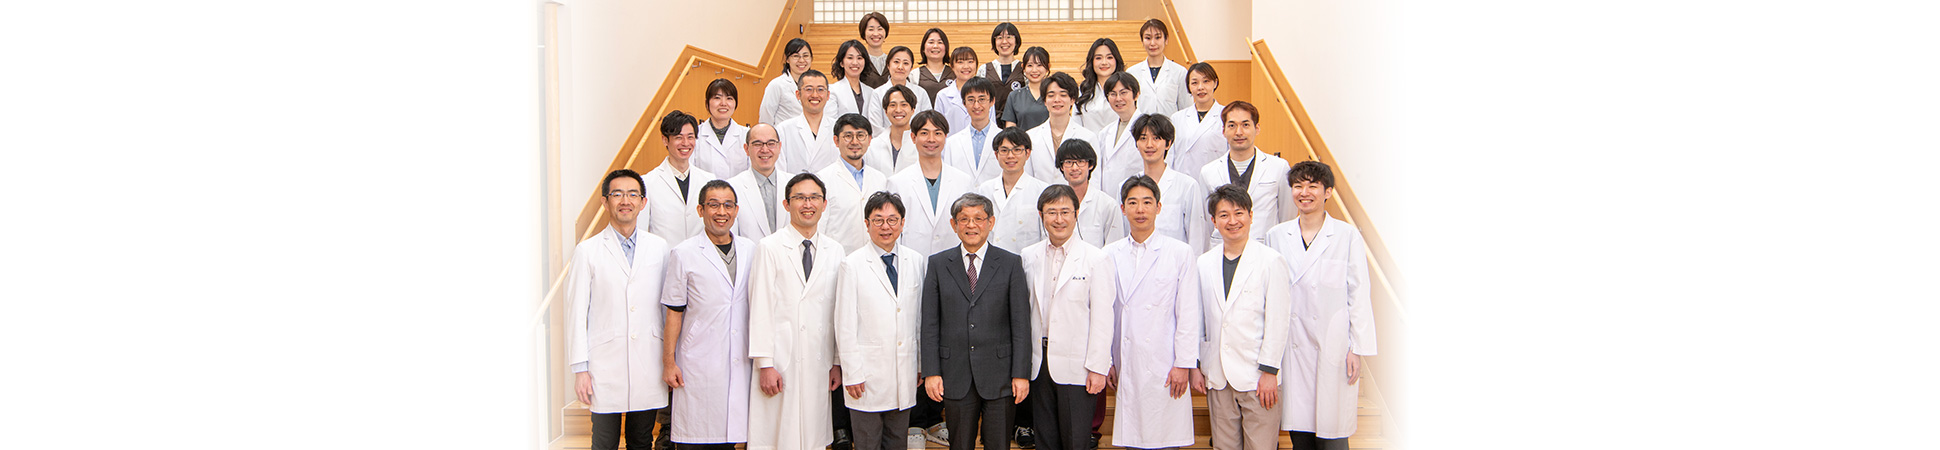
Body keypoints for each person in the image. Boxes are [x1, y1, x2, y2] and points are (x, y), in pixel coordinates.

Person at [1263, 161, 1374, 450]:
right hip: (1293, 345)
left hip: (1333, 345)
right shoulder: (1277, 235)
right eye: (1298, 186)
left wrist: (1357, 348)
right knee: (1300, 432)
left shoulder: (1346, 235)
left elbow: (1359, 293)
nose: (1304, 192)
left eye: (1313, 186)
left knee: (1334, 434)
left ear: (1328, 192)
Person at [567, 169, 673, 450]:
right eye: (617, 194)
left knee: (642, 440)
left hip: (648, 359)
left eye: (632, 194)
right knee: (604, 442)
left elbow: (667, 308)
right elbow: (576, 314)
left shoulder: (659, 248)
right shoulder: (587, 251)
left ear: (643, 202)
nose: (625, 201)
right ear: (605, 202)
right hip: (604, 363)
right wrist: (580, 369)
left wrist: (670, 358)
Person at [920, 193, 1033, 450]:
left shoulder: (1010, 263)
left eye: (978, 219)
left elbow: (1020, 324)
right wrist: (931, 372)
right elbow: (929, 324)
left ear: (990, 222)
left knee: (999, 444)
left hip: (1001, 375)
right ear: (954, 224)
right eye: (964, 219)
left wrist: (1020, 374)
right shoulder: (938, 264)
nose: (971, 225)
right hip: (955, 373)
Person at [1100, 174, 1201, 450]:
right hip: (1128, 358)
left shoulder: (1179, 252)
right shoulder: (1109, 254)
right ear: (1123, 209)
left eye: (1147, 202)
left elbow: (1188, 314)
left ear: (1159, 207)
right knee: (1134, 439)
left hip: (1166, 362)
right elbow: (1104, 313)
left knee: (1165, 438)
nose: (1140, 210)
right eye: (1133, 203)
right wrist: (1108, 359)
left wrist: (1184, 364)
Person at [748, 173, 847, 450]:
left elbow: (838, 312)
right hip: (781, 358)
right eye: (800, 198)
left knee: (812, 435)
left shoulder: (835, 250)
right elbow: (760, 307)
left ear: (824, 204)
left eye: (814, 198)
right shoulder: (769, 247)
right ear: (786, 204)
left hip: (819, 358)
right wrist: (765, 364)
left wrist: (836, 361)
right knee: (779, 435)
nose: (807, 204)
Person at [1192, 184, 1294, 450]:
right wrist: (1197, 365)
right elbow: (1198, 320)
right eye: (1223, 215)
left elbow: (1278, 320)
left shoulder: (1271, 261)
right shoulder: (1203, 263)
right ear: (1213, 221)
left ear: (1250, 215)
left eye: (1239, 213)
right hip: (1218, 375)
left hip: (1258, 376)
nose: (1232, 221)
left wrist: (1270, 371)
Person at [662, 180, 759, 450]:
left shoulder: (751, 250)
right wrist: (669, 362)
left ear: (736, 210)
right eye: (713, 205)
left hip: (739, 355)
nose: (721, 212)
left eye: (728, 205)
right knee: (695, 437)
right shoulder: (684, 253)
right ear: (700, 210)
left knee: (728, 438)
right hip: (698, 361)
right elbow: (674, 312)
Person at [1018, 184, 1116, 450]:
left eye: (1065, 212)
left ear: (1076, 214)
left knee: (1075, 440)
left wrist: (1098, 367)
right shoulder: (1028, 256)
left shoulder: (1096, 259)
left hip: (1078, 363)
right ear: (1041, 215)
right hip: (1039, 362)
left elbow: (1103, 319)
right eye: (1052, 212)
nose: (1058, 219)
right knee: (1045, 440)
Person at [834, 192, 927, 450]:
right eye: (878, 220)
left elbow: (919, 318)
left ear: (902, 223)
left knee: (897, 442)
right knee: (868, 443)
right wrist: (852, 372)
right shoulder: (851, 264)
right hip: (866, 376)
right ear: (867, 224)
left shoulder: (915, 260)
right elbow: (844, 325)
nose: (886, 227)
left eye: (892, 220)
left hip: (904, 371)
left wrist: (920, 363)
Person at [1197, 101, 1289, 247]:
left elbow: (1286, 217)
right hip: (1222, 248)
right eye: (1232, 126)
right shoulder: (1208, 172)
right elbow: (1207, 223)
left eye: (1245, 125)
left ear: (1257, 128)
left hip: (1264, 248)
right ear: (1223, 131)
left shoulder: (1279, 167)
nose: (1239, 132)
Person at [886, 111, 976, 257]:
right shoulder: (897, 183)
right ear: (913, 137)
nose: (931, 139)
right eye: (924, 133)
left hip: (954, 260)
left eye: (937, 133)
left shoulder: (964, 181)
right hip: (913, 260)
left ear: (945, 137)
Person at [1130, 113, 1210, 254]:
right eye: (1143, 138)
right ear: (1136, 144)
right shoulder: (1126, 186)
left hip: (1175, 262)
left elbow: (1196, 238)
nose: (1149, 144)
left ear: (1168, 143)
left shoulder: (1187, 186)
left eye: (1156, 138)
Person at [815, 113, 890, 255]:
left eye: (860, 136)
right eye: (848, 136)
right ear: (836, 141)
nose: (854, 142)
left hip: (875, 257)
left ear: (869, 140)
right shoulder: (822, 180)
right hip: (838, 258)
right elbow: (819, 227)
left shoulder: (880, 178)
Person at [645, 110, 718, 244]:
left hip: (701, 254)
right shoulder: (648, 183)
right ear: (665, 140)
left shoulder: (708, 180)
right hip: (666, 255)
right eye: (679, 137)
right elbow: (642, 232)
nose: (685, 143)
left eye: (690, 137)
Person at [973, 127, 1049, 253]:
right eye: (1004, 150)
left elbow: (1046, 235)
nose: (1010, 156)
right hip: (991, 258)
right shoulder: (985, 189)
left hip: (1026, 259)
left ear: (1027, 153)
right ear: (996, 154)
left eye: (1017, 150)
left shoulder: (1041, 190)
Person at [1024, 72, 1097, 184]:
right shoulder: (1031, 137)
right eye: (1051, 95)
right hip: (1041, 194)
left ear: (1072, 100)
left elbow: (1094, 180)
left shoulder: (1088, 137)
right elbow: (1027, 178)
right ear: (1044, 101)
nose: (1057, 100)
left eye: (1063, 95)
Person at [728, 124, 794, 241]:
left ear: (779, 147)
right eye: (757, 144)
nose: (764, 150)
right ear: (746, 149)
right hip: (752, 253)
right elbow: (732, 237)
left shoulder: (795, 184)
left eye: (771, 144)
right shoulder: (732, 188)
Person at [1052, 140, 1122, 248]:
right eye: (1069, 162)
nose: (1074, 168)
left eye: (1080, 161)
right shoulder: (1053, 204)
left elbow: (1114, 247)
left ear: (1090, 165)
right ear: (1061, 167)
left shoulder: (1108, 205)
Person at [1165, 63, 1225, 178]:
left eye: (1206, 81)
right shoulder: (1177, 118)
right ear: (1188, 87)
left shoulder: (1226, 116)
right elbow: (1170, 157)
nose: (1200, 87)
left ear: (1215, 83)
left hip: (1215, 181)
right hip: (1183, 181)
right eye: (1194, 83)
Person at [1093, 72, 1147, 198]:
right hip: (1108, 198)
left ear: (1136, 95)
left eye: (1123, 93)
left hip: (1136, 197)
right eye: (1113, 94)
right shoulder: (1105, 133)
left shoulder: (1148, 128)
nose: (1118, 99)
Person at [776, 69, 840, 175]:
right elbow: (780, 171)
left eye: (820, 89)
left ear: (828, 95)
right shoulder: (783, 129)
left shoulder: (838, 128)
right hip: (795, 185)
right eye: (809, 89)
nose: (815, 95)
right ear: (798, 94)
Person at [942, 77, 1003, 184]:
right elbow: (948, 179)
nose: (976, 106)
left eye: (982, 99)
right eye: (971, 100)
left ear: (992, 101)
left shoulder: (1004, 140)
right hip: (962, 194)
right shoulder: (952, 143)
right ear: (964, 103)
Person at [1128, 19, 1193, 117]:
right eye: (1148, 38)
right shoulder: (1132, 73)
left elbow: (1186, 108)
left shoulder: (1180, 72)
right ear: (1142, 41)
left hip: (1170, 126)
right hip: (1141, 125)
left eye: (1158, 37)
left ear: (1166, 40)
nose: (1152, 43)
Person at [868, 46, 934, 131]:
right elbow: (875, 127)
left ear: (911, 68)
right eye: (896, 62)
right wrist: (894, 138)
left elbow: (927, 123)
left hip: (914, 139)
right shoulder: (877, 93)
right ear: (888, 65)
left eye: (905, 63)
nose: (900, 67)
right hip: (886, 139)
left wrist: (910, 138)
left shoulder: (921, 92)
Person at [694, 79, 751, 178]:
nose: (723, 103)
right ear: (707, 103)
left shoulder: (747, 135)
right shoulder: (695, 135)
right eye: (717, 98)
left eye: (729, 98)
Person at [1073, 39, 1127, 134]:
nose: (1104, 62)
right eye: (1098, 58)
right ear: (1092, 61)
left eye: (1109, 57)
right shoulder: (1083, 90)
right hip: (1088, 142)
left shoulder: (1126, 88)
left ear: (1116, 60)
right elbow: (1076, 125)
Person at [865, 85, 922, 175]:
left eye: (904, 105)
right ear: (886, 111)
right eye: (892, 105)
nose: (898, 110)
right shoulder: (872, 147)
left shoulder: (921, 145)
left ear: (912, 110)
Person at [933, 47, 988, 137]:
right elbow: (937, 128)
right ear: (952, 66)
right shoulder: (942, 96)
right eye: (960, 62)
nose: (966, 66)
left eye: (970, 61)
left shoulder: (986, 93)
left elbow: (992, 124)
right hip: (951, 144)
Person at [978, 22, 1024, 123]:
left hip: (1018, 123)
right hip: (991, 122)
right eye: (999, 38)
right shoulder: (984, 69)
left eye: (1009, 37)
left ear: (1016, 41)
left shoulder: (1024, 69)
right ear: (994, 42)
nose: (1004, 41)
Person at [830, 40, 883, 125]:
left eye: (859, 58)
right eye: (850, 58)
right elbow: (831, 122)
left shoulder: (871, 92)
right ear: (841, 63)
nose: (855, 62)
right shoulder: (832, 91)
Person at [761, 39, 813, 125]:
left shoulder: (816, 85)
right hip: (784, 132)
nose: (801, 60)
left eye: (806, 56)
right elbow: (766, 117)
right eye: (796, 56)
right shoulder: (776, 85)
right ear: (787, 59)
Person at [999, 47, 1052, 131]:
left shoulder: (1054, 95)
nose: (1034, 70)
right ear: (1023, 67)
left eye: (1039, 65)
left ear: (1048, 67)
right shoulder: (1014, 96)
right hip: (1022, 139)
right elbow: (1010, 129)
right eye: (1030, 65)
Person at [914, 28, 952, 103]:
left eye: (940, 42)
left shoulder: (955, 73)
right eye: (931, 42)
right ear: (923, 48)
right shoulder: (914, 75)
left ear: (946, 48)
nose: (935, 46)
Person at [858, 12, 892, 87]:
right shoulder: (859, 62)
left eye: (880, 29)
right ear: (864, 33)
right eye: (871, 29)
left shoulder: (892, 61)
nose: (876, 34)